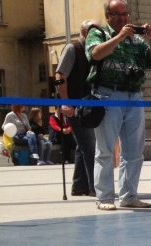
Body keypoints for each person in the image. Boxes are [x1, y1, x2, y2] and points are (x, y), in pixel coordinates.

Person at [86, 0, 151, 210]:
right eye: (116, 14)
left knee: (134, 152)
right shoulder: (98, 33)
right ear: (108, 16)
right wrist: (119, 37)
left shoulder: (137, 41)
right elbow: (95, 54)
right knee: (105, 150)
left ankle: (129, 196)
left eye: (125, 14)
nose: (122, 18)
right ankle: (104, 197)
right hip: (108, 94)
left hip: (134, 96)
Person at [55, 19, 98, 196]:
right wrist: (65, 102)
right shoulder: (73, 49)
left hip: (87, 105)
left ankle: (79, 185)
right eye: (94, 32)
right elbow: (60, 75)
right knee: (90, 146)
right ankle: (94, 187)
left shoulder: (91, 52)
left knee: (83, 145)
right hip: (75, 105)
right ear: (84, 33)